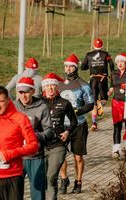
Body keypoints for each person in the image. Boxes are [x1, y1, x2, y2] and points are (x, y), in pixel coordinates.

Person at [0, 85, 38, 200]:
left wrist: (11, 154)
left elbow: (33, 146)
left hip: (12, 176)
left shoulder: (20, 119)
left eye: (1, 101)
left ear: (8, 100)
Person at [59, 54, 94, 194]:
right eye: (66, 66)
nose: (68, 69)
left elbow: (90, 104)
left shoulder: (83, 85)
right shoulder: (60, 84)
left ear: (76, 67)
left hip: (79, 125)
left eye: (71, 66)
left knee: (78, 157)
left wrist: (78, 111)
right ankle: (63, 179)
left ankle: (78, 182)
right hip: (62, 126)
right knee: (60, 155)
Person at [14, 77, 54, 200]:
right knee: (14, 193)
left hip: (35, 156)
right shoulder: (13, 106)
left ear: (32, 91)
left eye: (26, 92)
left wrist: (34, 135)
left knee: (37, 193)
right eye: (21, 92)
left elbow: (50, 132)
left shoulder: (41, 107)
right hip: (16, 157)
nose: (23, 95)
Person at [41, 73, 78, 200]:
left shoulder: (64, 103)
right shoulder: (38, 102)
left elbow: (74, 121)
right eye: (48, 86)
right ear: (44, 88)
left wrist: (67, 132)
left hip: (58, 144)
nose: (50, 88)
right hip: (41, 145)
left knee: (51, 176)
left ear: (56, 87)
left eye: (53, 85)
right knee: (43, 177)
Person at [81, 38, 114, 131]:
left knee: (94, 101)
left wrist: (90, 65)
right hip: (103, 79)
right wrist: (112, 73)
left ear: (93, 45)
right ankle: (100, 106)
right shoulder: (106, 54)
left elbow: (83, 67)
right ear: (102, 46)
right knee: (104, 99)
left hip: (93, 80)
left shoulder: (88, 55)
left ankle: (94, 122)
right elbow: (111, 64)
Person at [108, 53, 126, 159]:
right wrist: (111, 89)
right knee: (117, 126)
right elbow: (112, 83)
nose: (119, 64)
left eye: (122, 62)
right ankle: (116, 150)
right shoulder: (114, 73)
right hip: (116, 102)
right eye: (118, 62)